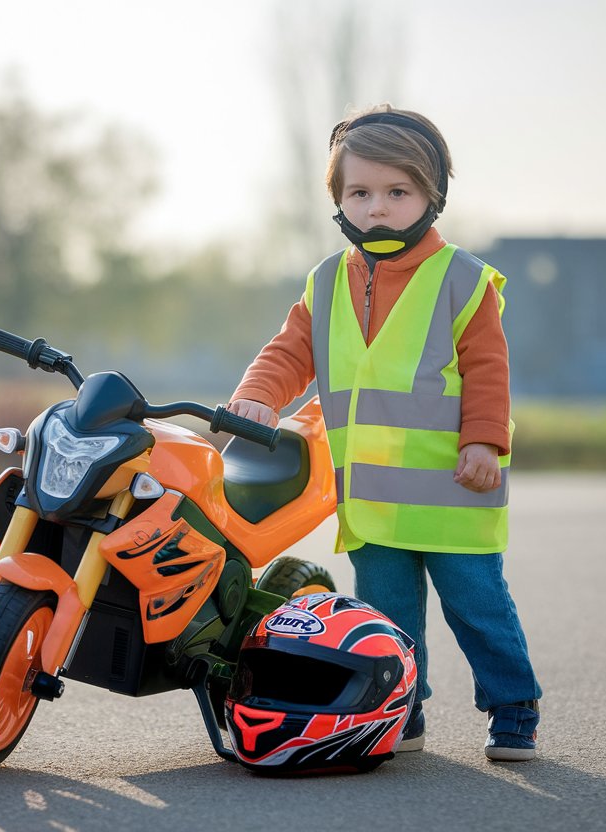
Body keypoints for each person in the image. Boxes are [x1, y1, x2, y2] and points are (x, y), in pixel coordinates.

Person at [228, 105, 543, 761]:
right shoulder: (325, 281)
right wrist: (258, 397)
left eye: (398, 192)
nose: (378, 207)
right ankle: (402, 710)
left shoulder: (463, 279)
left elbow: (489, 369)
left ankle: (514, 706)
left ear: (433, 196)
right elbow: (289, 352)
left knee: (479, 610)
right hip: (370, 498)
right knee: (387, 622)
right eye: (360, 192)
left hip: (454, 489)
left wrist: (484, 442)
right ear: (339, 199)